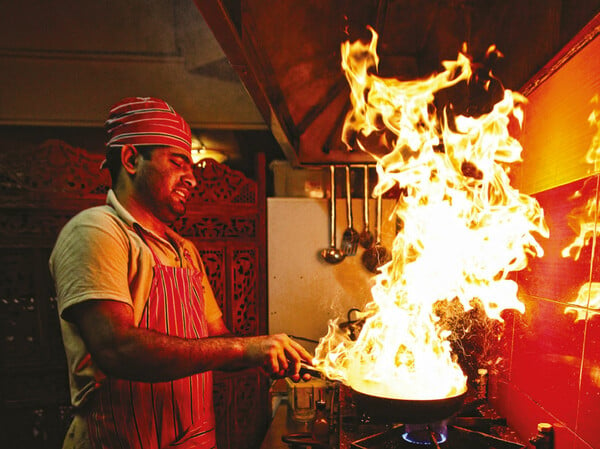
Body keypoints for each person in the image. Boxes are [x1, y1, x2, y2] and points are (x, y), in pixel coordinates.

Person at [49, 97, 313, 449]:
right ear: (131, 159)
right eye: (177, 162)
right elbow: (116, 348)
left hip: (193, 439)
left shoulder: (184, 249)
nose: (192, 177)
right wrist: (243, 348)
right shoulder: (97, 231)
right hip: (122, 441)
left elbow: (216, 338)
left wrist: (268, 354)